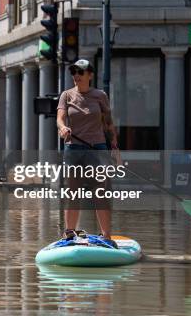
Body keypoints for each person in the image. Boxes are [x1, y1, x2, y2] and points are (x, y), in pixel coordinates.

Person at [56, 59, 119, 248]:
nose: (76, 75)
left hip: (97, 149)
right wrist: (63, 128)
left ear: (90, 75)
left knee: (100, 192)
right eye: (74, 72)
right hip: (74, 148)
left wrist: (114, 148)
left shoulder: (100, 96)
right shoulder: (66, 95)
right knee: (73, 192)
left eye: (80, 72)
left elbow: (108, 123)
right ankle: (69, 234)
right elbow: (60, 118)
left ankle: (107, 236)